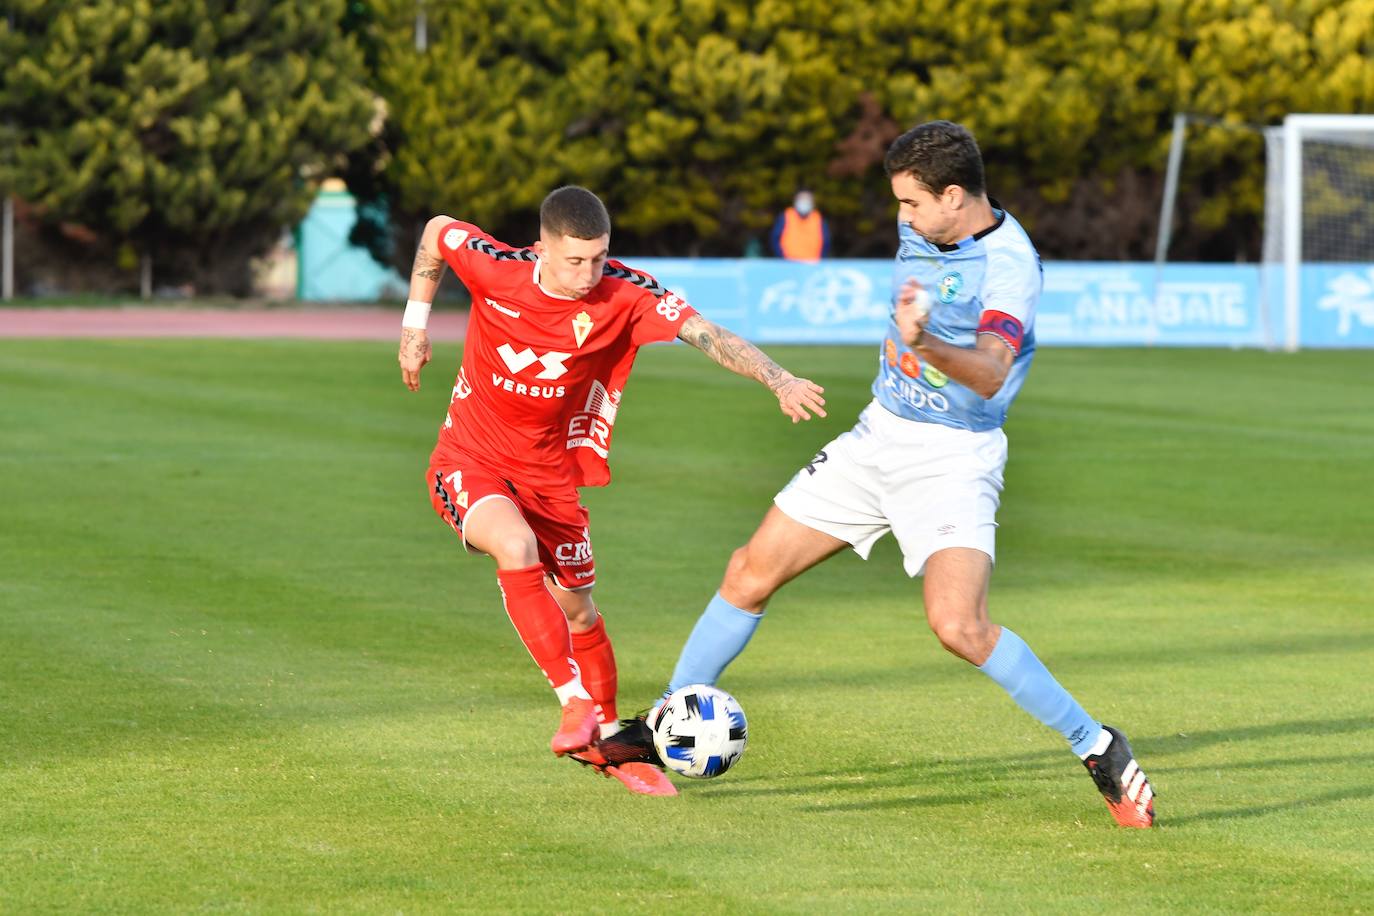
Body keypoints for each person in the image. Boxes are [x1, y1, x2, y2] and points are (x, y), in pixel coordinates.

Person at [576, 122, 1157, 828]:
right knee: (748, 571)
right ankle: (668, 720)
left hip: (953, 457)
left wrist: (924, 341)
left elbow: (992, 372)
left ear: (953, 196)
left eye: (912, 205)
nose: (902, 219)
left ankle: (1097, 747)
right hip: (877, 435)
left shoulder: (1011, 267)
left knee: (959, 625)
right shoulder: (926, 228)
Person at [396, 186, 826, 797]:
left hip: (551, 477)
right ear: (541, 247)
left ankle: (610, 748)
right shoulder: (497, 268)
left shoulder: (625, 292)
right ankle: (572, 703)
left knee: (581, 611)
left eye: (599, 258)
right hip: (471, 458)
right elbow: (438, 229)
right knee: (513, 547)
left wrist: (777, 377)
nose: (589, 273)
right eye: (575, 261)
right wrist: (415, 325)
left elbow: (708, 333)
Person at [770, 189, 830, 262]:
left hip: (813, 264)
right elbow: (775, 239)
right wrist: (782, 258)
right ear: (795, 200)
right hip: (788, 264)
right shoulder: (786, 216)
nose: (804, 202)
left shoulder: (818, 218)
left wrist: (820, 260)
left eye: (807, 199)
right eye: (802, 199)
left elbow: (826, 243)